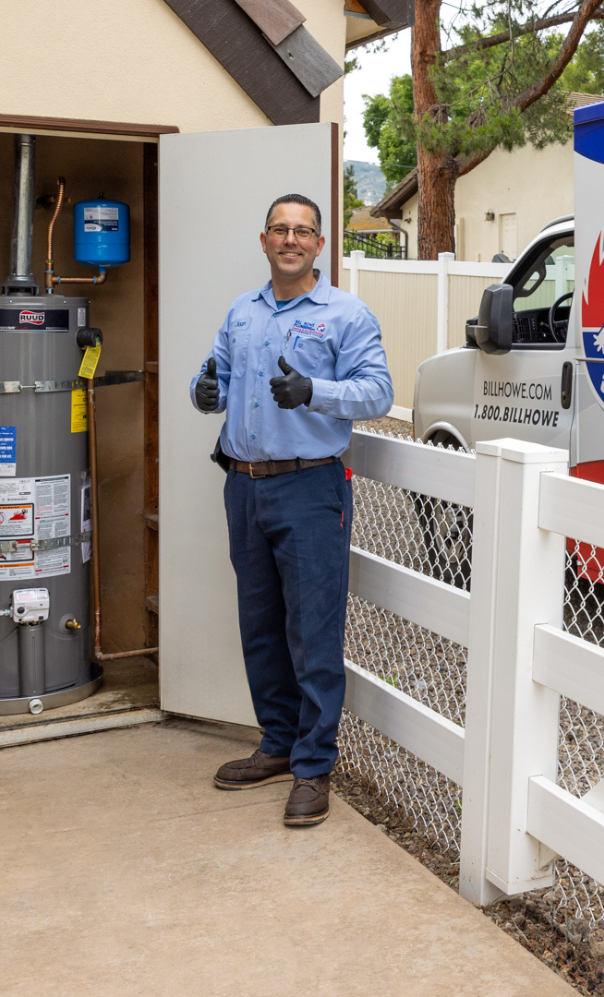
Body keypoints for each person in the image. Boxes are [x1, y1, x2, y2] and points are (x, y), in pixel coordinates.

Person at [190, 193, 393, 827]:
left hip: (310, 490)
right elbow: (215, 380)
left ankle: (313, 766)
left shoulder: (346, 314)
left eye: (303, 231)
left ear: (320, 244)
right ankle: (277, 744)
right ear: (264, 240)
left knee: (312, 632)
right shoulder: (242, 313)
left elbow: (378, 393)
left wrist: (315, 392)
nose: (291, 239)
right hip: (244, 486)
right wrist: (203, 392)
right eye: (280, 229)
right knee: (261, 625)